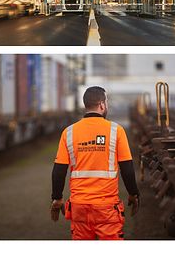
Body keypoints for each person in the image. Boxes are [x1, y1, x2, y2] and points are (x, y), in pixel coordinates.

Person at [50, 86, 140, 240]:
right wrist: (133, 193)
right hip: (107, 209)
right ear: (102, 104)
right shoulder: (116, 131)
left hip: (79, 207)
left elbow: (58, 171)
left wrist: (57, 198)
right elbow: (127, 169)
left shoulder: (69, 132)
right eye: (107, 102)